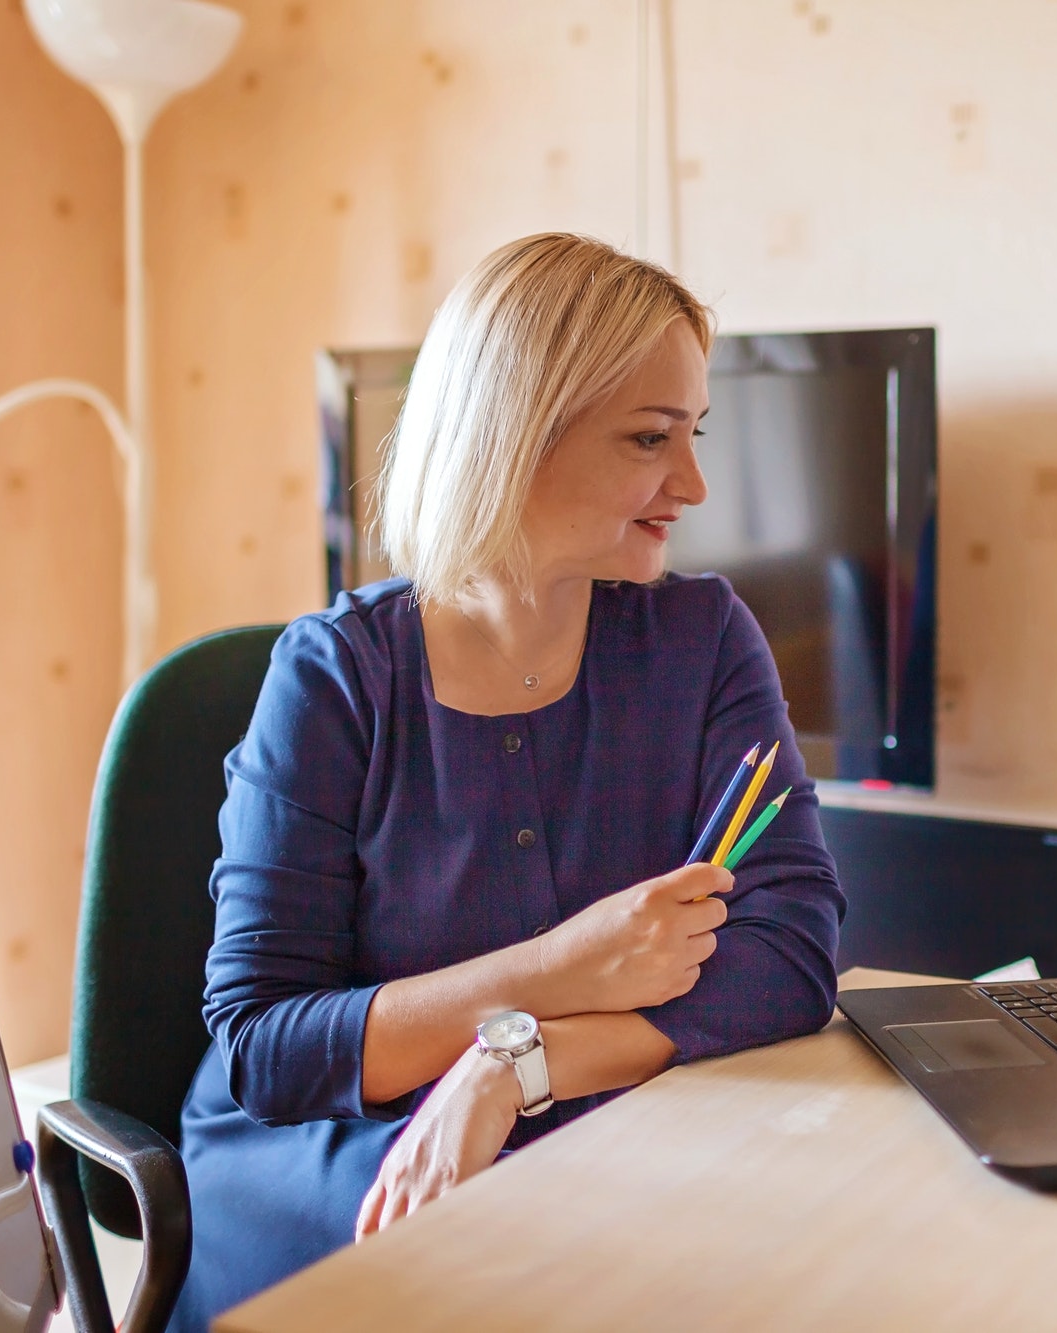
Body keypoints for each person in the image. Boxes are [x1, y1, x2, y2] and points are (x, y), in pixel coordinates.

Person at [170, 234, 845, 1328]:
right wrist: (560, 968)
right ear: (510, 435)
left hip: (562, 1111)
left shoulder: (703, 637)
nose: (692, 484)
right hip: (329, 1148)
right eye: (647, 439)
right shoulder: (336, 675)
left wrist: (515, 1064)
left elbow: (790, 956)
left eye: (693, 436)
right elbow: (267, 1047)